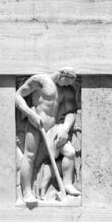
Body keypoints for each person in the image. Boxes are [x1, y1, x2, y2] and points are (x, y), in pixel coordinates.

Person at [14, 67, 81, 205]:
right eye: (66, 81)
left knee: (70, 152)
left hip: (54, 127)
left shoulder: (66, 89)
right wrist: (30, 114)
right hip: (36, 125)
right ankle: (27, 193)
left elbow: (71, 112)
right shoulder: (40, 80)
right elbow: (18, 96)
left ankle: (67, 184)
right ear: (61, 74)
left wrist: (65, 129)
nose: (67, 85)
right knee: (30, 156)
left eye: (69, 83)